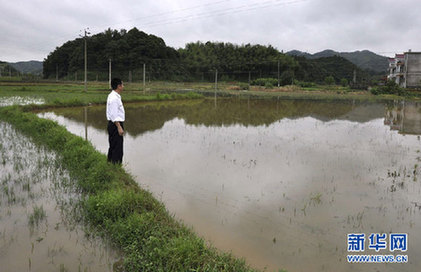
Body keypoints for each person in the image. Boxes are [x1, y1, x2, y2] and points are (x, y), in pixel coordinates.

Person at [106, 78, 125, 164]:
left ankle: (110, 164)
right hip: (115, 124)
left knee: (113, 145)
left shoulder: (113, 95)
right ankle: (115, 167)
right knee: (117, 148)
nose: (123, 87)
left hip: (113, 124)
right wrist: (119, 127)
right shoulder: (114, 98)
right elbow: (114, 115)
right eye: (122, 85)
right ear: (119, 86)